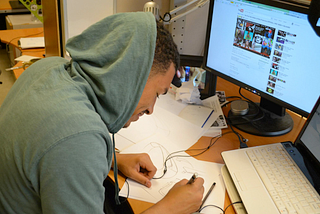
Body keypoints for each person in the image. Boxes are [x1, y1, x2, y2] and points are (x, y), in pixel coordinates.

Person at [0, 12, 205, 214]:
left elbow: (52, 148)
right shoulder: (79, 139)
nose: (151, 109)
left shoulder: (49, 67)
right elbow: (70, 145)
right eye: (157, 94)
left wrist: (110, 159)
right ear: (131, 78)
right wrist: (170, 208)